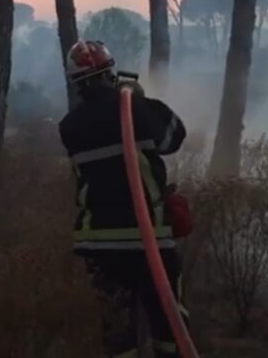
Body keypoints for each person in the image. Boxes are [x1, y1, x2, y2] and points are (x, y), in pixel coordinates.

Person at [58, 40, 189, 358]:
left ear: (76, 83)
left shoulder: (69, 126)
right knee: (169, 322)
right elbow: (175, 137)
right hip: (150, 240)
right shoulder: (136, 109)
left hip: (101, 244)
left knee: (118, 330)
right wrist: (139, 98)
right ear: (110, 72)